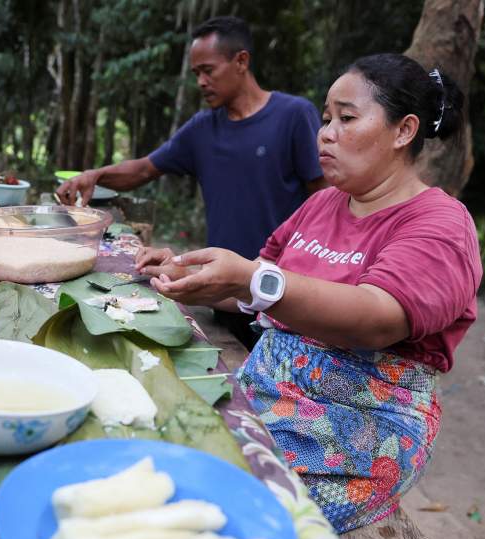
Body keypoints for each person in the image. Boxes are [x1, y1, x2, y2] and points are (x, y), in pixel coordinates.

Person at [139, 54, 481, 532]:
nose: (325, 134)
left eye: (347, 118)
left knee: (218, 515)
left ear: (404, 130)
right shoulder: (323, 204)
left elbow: (377, 317)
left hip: (359, 425)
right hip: (269, 392)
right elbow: (262, 285)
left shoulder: (440, 225)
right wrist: (189, 274)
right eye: (325, 119)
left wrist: (253, 280)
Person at [57, 16, 326, 349]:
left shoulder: (293, 115)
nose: (200, 81)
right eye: (196, 73)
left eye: (208, 70)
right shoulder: (202, 129)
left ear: (241, 61)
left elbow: (325, 200)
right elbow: (143, 169)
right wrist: (95, 176)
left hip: (282, 291)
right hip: (223, 291)